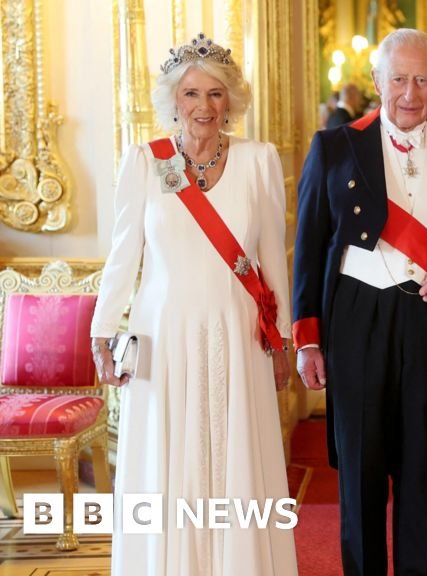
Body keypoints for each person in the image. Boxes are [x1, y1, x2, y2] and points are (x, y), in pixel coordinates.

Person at [291, 28, 427, 575]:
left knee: (420, 466)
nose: (410, 93)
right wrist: (308, 339)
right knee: (360, 469)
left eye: (422, 79)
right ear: (377, 81)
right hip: (356, 318)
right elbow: (309, 247)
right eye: (399, 79)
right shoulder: (335, 147)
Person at [89, 33, 297, 575]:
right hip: (163, 336)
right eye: (191, 94)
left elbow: (273, 258)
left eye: (215, 93)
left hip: (238, 330)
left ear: (231, 100)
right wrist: (102, 333)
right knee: (166, 459)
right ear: (173, 101)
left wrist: (284, 339)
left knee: (237, 456)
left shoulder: (258, 160)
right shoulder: (145, 162)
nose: (204, 106)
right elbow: (123, 255)